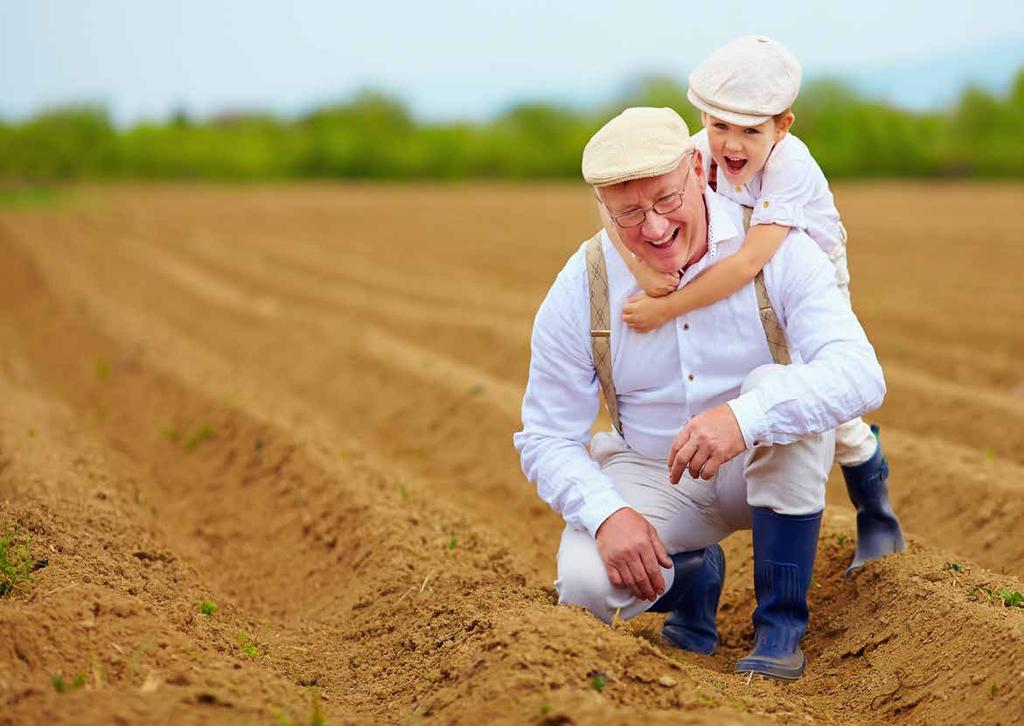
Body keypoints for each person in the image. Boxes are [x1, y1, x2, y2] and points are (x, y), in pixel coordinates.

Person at [513, 106, 886, 680]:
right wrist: (608, 513)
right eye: (630, 214)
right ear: (602, 207)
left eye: (666, 201)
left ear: (695, 165)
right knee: (585, 588)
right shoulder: (583, 283)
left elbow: (860, 374)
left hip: (758, 461)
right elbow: (546, 435)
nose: (656, 229)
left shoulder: (775, 247)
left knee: (783, 393)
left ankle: (779, 626)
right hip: (652, 468)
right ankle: (690, 575)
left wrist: (745, 418)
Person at [605, 35, 903, 575]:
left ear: (782, 126)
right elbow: (609, 196)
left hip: (804, 274)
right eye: (719, 126)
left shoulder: (792, 167)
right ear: (702, 117)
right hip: (737, 275)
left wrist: (664, 309)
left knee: (822, 400)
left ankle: (875, 509)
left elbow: (750, 262)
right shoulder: (694, 152)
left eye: (750, 130)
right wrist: (643, 270)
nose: (731, 144)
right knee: (757, 391)